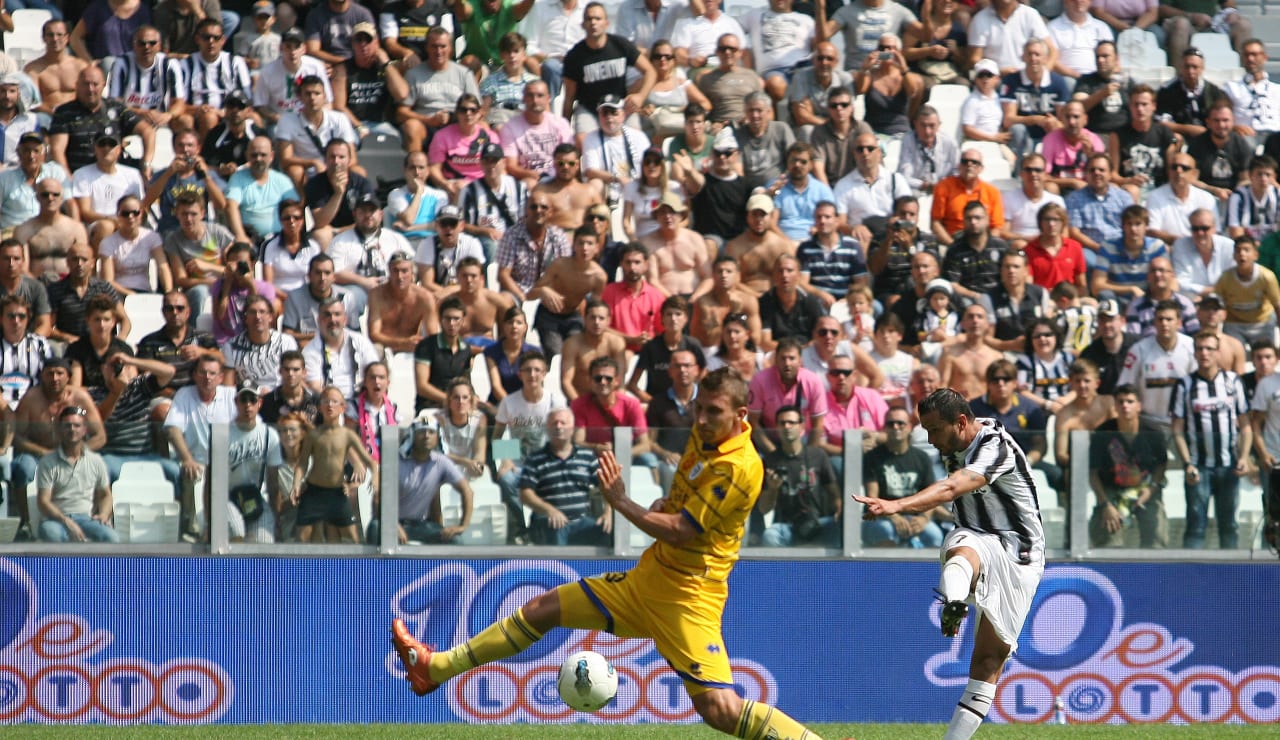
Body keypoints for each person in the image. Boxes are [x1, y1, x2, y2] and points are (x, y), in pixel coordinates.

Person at [390, 366, 825, 740]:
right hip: (649, 579)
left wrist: (622, 501)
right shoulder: (702, 434)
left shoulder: (738, 465)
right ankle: (438, 667)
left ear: (740, 414)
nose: (703, 418)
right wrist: (661, 505)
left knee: (719, 710)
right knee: (544, 607)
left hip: (687, 597)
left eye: (714, 412)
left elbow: (679, 531)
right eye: (700, 408)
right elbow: (678, 506)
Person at [855, 388, 1045, 740]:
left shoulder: (994, 446)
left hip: (1019, 552)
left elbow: (951, 487)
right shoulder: (957, 441)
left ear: (960, 423)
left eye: (934, 430)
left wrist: (896, 505)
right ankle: (954, 601)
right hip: (975, 534)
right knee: (963, 548)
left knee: (989, 661)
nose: (929, 439)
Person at [1171, 329, 1249, 549]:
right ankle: (1190, 580)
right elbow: (1177, 429)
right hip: (1199, 467)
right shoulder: (1184, 384)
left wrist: (1243, 457)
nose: (1204, 353)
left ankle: (1232, 579)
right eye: (1199, 348)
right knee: (1196, 526)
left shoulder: (1233, 381)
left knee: (1229, 525)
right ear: (1194, 353)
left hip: (1228, 466)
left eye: (1209, 349)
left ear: (1218, 353)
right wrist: (1187, 463)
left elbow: (1245, 424)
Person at [291, 385, 379, 544]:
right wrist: (296, 483)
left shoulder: (347, 435)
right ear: (319, 407)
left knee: (353, 538)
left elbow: (370, 462)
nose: (330, 405)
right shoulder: (313, 435)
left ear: (343, 407)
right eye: (325, 401)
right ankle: (300, 569)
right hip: (314, 492)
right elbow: (302, 463)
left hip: (337, 494)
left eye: (334, 401)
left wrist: (375, 478)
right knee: (302, 537)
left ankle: (358, 569)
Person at [371, 412, 474, 545]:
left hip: (421, 525)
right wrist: (392, 525)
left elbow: (467, 491)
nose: (426, 436)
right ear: (412, 436)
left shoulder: (441, 462)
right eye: (421, 432)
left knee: (456, 541)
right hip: (389, 522)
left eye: (431, 432)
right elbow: (377, 499)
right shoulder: (395, 461)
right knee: (374, 529)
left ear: (438, 437)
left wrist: (463, 526)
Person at [164, 354, 236, 541]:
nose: (207, 377)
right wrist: (187, 458)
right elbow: (173, 430)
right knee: (191, 474)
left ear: (221, 377)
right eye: (202, 372)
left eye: (213, 373)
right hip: (197, 462)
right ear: (194, 375)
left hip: (227, 463)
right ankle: (196, 532)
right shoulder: (184, 395)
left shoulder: (231, 396)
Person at [1088, 383, 1169, 548]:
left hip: (1146, 487)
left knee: (1157, 534)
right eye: (1121, 401)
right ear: (1115, 406)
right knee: (1107, 535)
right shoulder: (1102, 433)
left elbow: (1162, 465)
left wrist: (1152, 488)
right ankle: (1109, 570)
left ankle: (1155, 569)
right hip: (1112, 489)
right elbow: (1093, 473)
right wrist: (1105, 504)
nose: (1125, 405)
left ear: (1139, 406)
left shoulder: (1153, 432)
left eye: (1130, 401)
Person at [562, 1, 654, 139]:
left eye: (597, 18)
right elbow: (569, 98)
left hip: (620, 107)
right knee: (583, 141)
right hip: (589, 110)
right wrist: (565, 129)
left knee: (636, 138)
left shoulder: (621, 45)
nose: (593, 22)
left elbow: (650, 71)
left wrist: (641, 97)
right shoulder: (574, 56)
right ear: (583, 25)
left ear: (606, 23)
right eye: (589, 19)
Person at [757, 403, 841, 548]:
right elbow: (764, 508)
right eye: (782, 423)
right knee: (770, 536)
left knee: (840, 527)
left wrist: (840, 511)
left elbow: (834, 493)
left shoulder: (818, 455)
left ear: (802, 427)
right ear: (776, 427)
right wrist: (772, 489)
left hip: (818, 523)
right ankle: (779, 571)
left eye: (792, 422)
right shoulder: (770, 460)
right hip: (787, 526)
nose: (787, 427)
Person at [861, 406, 944, 548]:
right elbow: (872, 498)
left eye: (900, 423)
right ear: (884, 428)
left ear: (910, 427)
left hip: (913, 516)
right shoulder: (872, 457)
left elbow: (931, 496)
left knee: (934, 535)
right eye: (890, 423)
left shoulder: (921, 458)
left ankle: (924, 571)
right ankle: (887, 570)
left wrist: (924, 519)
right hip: (882, 517)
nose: (895, 427)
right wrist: (893, 516)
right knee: (885, 531)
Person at [35, 405, 116, 543]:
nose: (72, 429)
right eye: (67, 426)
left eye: (77, 425)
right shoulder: (47, 462)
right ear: (60, 430)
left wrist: (103, 515)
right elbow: (43, 501)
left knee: (111, 537)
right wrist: (66, 521)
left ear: (85, 429)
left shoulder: (96, 461)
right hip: (56, 520)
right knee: (51, 533)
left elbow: (105, 495)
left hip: (87, 519)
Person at [1118, 299, 1197, 433]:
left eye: (1169, 319)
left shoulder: (1192, 347)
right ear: (1154, 322)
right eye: (1160, 319)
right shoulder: (1139, 350)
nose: (1164, 323)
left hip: (1183, 423)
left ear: (1179, 322)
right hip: (1148, 423)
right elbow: (1125, 387)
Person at [397, 28, 479, 154]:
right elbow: (401, 113)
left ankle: (475, 171)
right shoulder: (413, 74)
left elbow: (477, 109)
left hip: (458, 124)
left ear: (450, 48)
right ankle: (416, 169)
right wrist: (429, 120)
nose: (438, 51)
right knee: (411, 126)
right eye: (434, 46)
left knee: (483, 126)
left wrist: (456, 117)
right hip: (426, 124)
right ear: (427, 48)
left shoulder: (464, 73)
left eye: (443, 46)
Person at [224, 381, 283, 544]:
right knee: (237, 530)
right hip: (226, 498)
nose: (248, 405)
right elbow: (211, 480)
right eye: (243, 400)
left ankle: (254, 571)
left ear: (260, 403)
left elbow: (273, 482)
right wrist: (209, 518)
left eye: (252, 400)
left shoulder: (269, 435)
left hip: (254, 496)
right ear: (236, 402)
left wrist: (277, 518)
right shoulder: (223, 433)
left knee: (264, 543)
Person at [747, 336, 828, 453]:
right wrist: (773, 453)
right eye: (783, 358)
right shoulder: (760, 380)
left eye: (792, 358)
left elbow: (818, 425)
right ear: (775, 360)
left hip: (802, 439)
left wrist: (809, 457)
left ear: (800, 361)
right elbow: (753, 422)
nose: (787, 363)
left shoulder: (813, 381)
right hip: (769, 439)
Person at [163, 191, 236, 313]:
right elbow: (181, 279)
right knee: (200, 292)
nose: (189, 219)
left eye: (193, 214)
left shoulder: (218, 232)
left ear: (203, 213)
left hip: (226, 284)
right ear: (177, 214)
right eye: (184, 214)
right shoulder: (173, 239)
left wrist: (208, 267)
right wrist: (209, 282)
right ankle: (195, 331)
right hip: (196, 288)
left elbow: (236, 269)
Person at [70, 133, 146, 248]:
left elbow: (139, 206)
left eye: (111, 145)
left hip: (128, 221)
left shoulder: (133, 174)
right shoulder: (81, 174)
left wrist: (123, 220)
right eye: (102, 144)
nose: (106, 148)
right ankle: (99, 264)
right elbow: (84, 212)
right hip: (96, 225)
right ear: (95, 148)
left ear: (119, 149)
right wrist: (111, 219)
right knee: (106, 226)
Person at [496, 192, 572, 303]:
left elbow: (565, 273)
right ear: (526, 210)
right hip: (518, 294)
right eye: (533, 207)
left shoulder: (558, 237)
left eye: (544, 207)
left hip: (549, 294)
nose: (538, 210)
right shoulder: (511, 236)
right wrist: (522, 297)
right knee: (507, 300)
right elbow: (503, 275)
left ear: (551, 212)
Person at [1110, 84, 1179, 202]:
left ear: (1154, 106)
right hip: (1130, 190)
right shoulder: (1117, 135)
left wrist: (1177, 143)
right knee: (1132, 191)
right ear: (1130, 107)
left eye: (1144, 104)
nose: (1140, 109)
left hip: (1159, 189)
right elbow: (1112, 174)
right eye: (1136, 104)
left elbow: (1171, 171)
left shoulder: (1164, 133)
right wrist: (1129, 181)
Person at [302, 296, 381, 399]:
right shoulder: (309, 351)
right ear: (319, 321)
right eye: (327, 315)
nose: (332, 319)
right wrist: (339, 405)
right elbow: (315, 386)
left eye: (337, 314)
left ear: (345, 320)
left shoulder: (361, 342)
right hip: (328, 405)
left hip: (361, 402)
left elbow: (375, 373)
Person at [226, 137, 299, 246]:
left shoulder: (282, 180)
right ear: (247, 156)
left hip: (280, 240)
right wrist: (241, 236)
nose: (258, 159)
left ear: (272, 156)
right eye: (254, 155)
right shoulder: (237, 179)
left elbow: (294, 209)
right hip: (249, 240)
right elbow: (231, 207)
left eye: (263, 155)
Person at [500, 80, 573, 188]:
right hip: (529, 179)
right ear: (523, 99)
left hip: (559, 176)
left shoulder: (560, 123)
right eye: (530, 96)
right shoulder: (510, 127)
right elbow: (511, 166)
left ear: (548, 98)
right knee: (529, 184)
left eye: (540, 96)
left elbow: (569, 157)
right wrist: (533, 175)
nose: (535, 100)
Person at [1092, 204, 1168, 301]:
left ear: (1146, 226)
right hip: (1118, 298)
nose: (1133, 229)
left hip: (1148, 298)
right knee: (1105, 295)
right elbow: (1096, 286)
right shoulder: (1108, 247)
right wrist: (1131, 289)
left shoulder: (1157, 246)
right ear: (1123, 227)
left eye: (1138, 224)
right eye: (1129, 224)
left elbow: (1169, 279)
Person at [795, 201, 866, 306]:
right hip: (817, 301)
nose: (822, 221)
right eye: (819, 217)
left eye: (827, 217)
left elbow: (861, 282)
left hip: (848, 302)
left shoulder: (852, 246)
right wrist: (821, 294)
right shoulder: (805, 248)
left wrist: (848, 300)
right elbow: (802, 282)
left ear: (837, 220)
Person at [931, 148, 1005, 247]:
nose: (969, 165)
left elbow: (997, 227)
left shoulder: (992, 192)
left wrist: (984, 246)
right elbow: (935, 223)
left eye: (974, 162)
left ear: (981, 168)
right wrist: (952, 246)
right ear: (959, 166)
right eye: (965, 162)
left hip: (982, 241)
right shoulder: (944, 187)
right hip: (951, 241)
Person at [1215, 235, 1280, 347]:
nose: (1242, 254)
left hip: (1262, 323)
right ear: (1234, 256)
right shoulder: (1225, 278)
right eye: (1238, 250)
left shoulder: (1267, 277)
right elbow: (1217, 305)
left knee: (1265, 355)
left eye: (1246, 250)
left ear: (1256, 255)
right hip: (1234, 324)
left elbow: (1277, 305)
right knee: (1232, 353)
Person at [224, 295, 299, 391]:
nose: (257, 317)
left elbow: (296, 376)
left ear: (270, 317)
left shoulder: (286, 342)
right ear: (245, 318)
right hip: (249, 399)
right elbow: (228, 387)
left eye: (262, 312)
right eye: (252, 312)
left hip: (281, 396)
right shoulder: (231, 346)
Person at [1065, 153, 1134, 258]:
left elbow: (1131, 226)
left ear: (1110, 174)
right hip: (1090, 250)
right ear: (1086, 174)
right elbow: (1074, 232)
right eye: (1092, 170)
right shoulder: (1074, 199)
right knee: (1084, 257)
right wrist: (1098, 247)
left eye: (1101, 170)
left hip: (1120, 247)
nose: (1096, 173)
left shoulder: (1124, 197)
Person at [604, 243, 667, 358]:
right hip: (617, 351)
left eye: (637, 262)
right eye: (628, 262)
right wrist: (631, 340)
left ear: (646, 265)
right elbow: (602, 327)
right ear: (621, 264)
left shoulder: (656, 296)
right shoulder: (609, 292)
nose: (632, 268)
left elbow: (662, 330)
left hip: (650, 353)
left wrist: (648, 340)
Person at [855, 33, 921, 139]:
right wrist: (864, 69)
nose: (886, 52)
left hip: (900, 130)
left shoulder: (904, 76)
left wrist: (903, 67)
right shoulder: (870, 75)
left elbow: (912, 92)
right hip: (873, 131)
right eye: (882, 48)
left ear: (898, 51)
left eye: (891, 48)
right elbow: (859, 90)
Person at [281, 254, 359, 345]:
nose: (322, 278)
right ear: (309, 276)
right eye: (318, 273)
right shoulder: (294, 297)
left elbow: (356, 333)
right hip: (306, 347)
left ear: (334, 276)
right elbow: (286, 334)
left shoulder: (347, 297)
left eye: (327, 273)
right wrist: (320, 336)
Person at [941, 201, 1007, 305]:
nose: (973, 222)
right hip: (969, 299)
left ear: (987, 220)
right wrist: (976, 296)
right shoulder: (954, 250)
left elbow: (1008, 278)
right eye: (969, 218)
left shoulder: (1001, 247)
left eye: (977, 218)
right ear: (963, 221)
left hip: (998, 298)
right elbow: (952, 284)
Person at [1145, 153, 1219, 247]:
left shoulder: (1206, 198)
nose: (1178, 171)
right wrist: (1182, 244)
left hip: (1201, 248)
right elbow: (1152, 231)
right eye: (1174, 167)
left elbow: (1215, 232)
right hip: (1169, 249)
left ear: (1195, 174)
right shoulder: (1155, 196)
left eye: (1184, 168)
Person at [412, 295, 471, 411]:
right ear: (440, 319)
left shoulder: (466, 349)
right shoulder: (426, 347)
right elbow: (422, 387)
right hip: (430, 406)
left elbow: (466, 382)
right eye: (447, 318)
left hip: (458, 406)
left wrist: (472, 399)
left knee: (490, 416)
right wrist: (450, 400)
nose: (452, 323)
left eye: (456, 319)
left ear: (463, 320)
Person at [938, 302, 1002, 399]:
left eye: (980, 317)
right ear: (962, 324)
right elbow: (942, 385)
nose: (975, 320)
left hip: (986, 409)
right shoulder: (949, 353)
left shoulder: (996, 357)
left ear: (987, 325)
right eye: (970, 317)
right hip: (958, 408)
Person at [1002, 152, 1065, 249]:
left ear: (1045, 174)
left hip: (1050, 246)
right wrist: (1027, 238)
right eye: (1028, 170)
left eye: (1038, 170)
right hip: (1021, 247)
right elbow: (1003, 232)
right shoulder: (1008, 198)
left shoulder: (1057, 201)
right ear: (1021, 174)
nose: (1033, 174)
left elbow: (1064, 233)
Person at [1172, 208, 1236, 297]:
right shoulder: (1180, 245)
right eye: (1195, 229)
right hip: (1193, 301)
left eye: (1205, 228)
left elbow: (1234, 280)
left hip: (1226, 299)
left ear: (1214, 228)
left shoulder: (1229, 246)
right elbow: (1181, 281)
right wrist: (1213, 290)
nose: (1200, 233)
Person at [897, 105, 959, 197]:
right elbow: (904, 176)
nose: (927, 131)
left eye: (932, 126)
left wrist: (943, 185)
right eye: (923, 125)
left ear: (939, 125)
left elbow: (957, 171)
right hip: (914, 191)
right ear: (915, 124)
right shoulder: (908, 140)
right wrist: (924, 185)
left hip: (944, 191)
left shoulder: (950, 143)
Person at [1073, 40, 1131, 137]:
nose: (1100, 60)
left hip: (1123, 137)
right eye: (1097, 57)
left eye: (1105, 56)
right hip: (1095, 135)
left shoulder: (1127, 82)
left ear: (1116, 59)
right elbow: (1078, 107)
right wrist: (1102, 94)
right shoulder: (1086, 81)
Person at [1228, 155, 1280, 242]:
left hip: (1272, 247)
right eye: (1259, 174)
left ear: (1274, 177)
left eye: (1268, 175)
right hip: (1247, 247)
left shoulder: (1278, 195)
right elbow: (1235, 232)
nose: (1263, 179)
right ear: (1250, 175)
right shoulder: (1238, 196)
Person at [260, 350, 319, 425]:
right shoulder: (267, 402)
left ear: (304, 372)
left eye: (296, 369)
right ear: (280, 371)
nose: (291, 374)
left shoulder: (316, 400)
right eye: (287, 369)